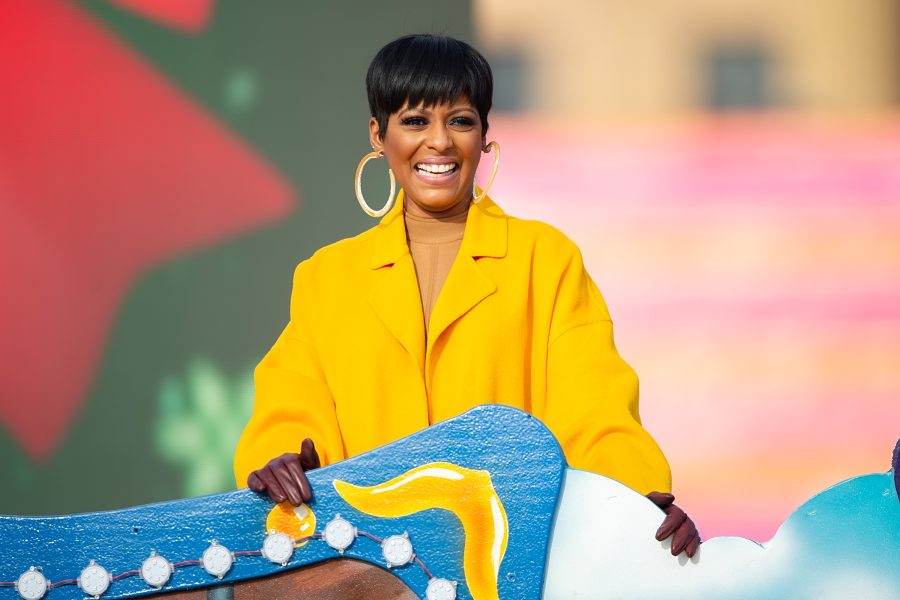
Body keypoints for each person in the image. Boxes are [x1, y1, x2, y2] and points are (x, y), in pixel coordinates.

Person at [234, 34, 700, 557]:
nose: (439, 142)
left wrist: (633, 503)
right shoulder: (327, 277)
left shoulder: (545, 259)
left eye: (460, 120)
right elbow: (292, 409)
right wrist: (281, 462)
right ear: (378, 135)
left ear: (484, 136)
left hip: (509, 564)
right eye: (415, 121)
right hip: (369, 567)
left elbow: (596, 412)